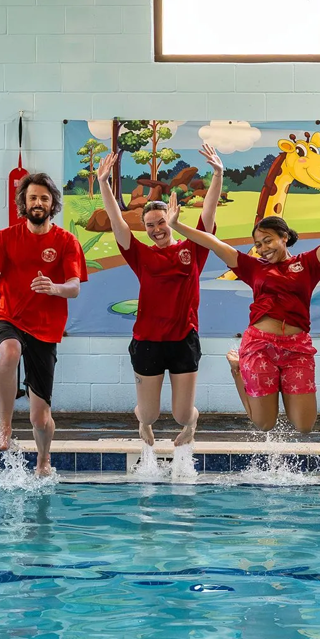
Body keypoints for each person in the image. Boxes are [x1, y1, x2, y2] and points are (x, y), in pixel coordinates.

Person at [170, 187, 320, 434]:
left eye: (268, 241)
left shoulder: (308, 264)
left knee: (304, 426)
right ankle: (238, 370)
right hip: (260, 346)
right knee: (265, 424)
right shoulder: (253, 267)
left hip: (297, 349)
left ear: (284, 237)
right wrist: (177, 226)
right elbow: (214, 243)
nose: (263, 248)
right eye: (258, 244)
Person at [96, 144, 224, 447]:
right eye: (150, 226)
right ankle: (144, 424)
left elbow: (209, 210)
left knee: (181, 414)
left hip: (183, 340)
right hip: (147, 342)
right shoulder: (140, 255)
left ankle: (191, 425)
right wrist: (103, 183)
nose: (156, 230)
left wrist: (218, 174)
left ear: (171, 219)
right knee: (149, 415)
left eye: (161, 222)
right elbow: (117, 221)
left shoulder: (193, 249)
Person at [0, 173, 87, 476]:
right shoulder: (6, 237)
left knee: (40, 417)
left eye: (44, 198)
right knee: (9, 352)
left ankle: (43, 459)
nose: (38, 203)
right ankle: (5, 427)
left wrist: (55, 288)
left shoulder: (66, 242)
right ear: (23, 202)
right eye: (33, 197)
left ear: (53, 204)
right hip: (8, 317)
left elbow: (74, 286)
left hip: (46, 328)